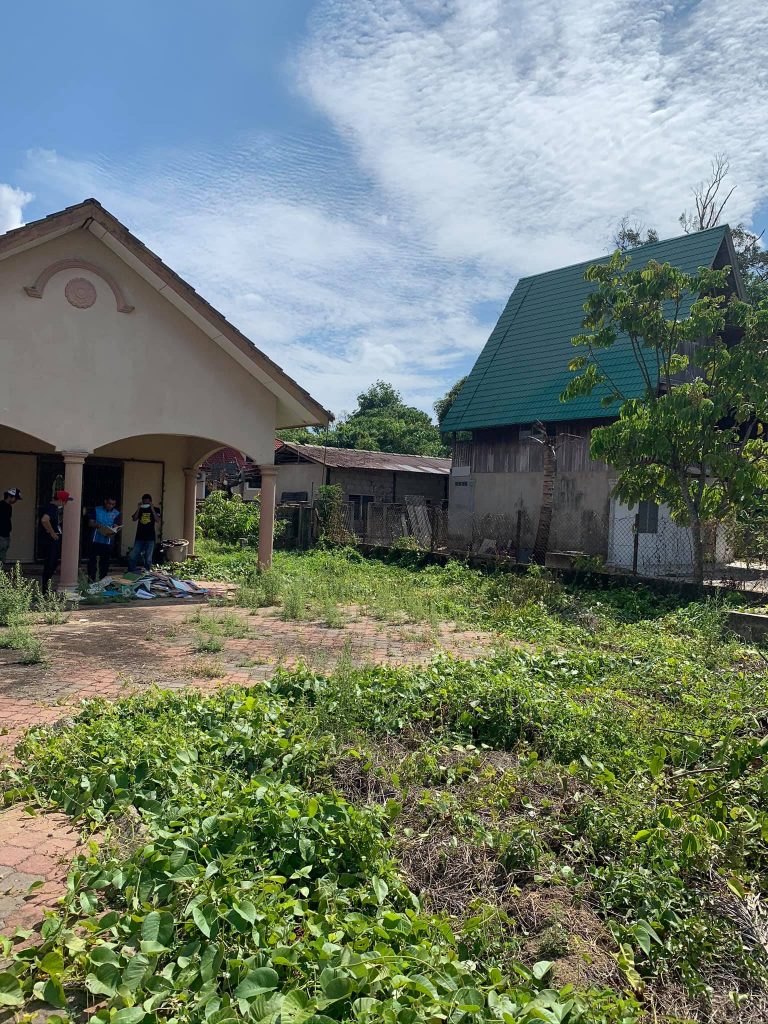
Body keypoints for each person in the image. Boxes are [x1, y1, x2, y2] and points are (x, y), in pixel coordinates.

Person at [39, 490, 69, 592]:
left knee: (54, 563)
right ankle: (45, 590)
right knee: (50, 564)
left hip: (52, 539)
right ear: (60, 500)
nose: (66, 503)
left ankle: (46, 588)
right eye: (65, 501)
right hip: (50, 540)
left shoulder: (54, 509)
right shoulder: (51, 508)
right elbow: (44, 520)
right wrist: (52, 533)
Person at [87, 496, 122, 581]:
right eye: (109, 503)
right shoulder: (97, 510)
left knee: (105, 563)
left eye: (113, 504)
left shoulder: (117, 513)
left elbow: (116, 526)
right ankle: (91, 580)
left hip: (108, 541)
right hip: (96, 539)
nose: (111, 506)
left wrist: (115, 529)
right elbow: (90, 523)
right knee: (92, 561)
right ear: (105, 502)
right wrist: (98, 525)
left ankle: (103, 581)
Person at [128, 493, 161, 572]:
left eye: (147, 502)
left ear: (150, 501)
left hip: (150, 536)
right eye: (144, 502)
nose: (145, 504)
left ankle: (147, 571)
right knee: (134, 554)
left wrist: (152, 508)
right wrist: (139, 508)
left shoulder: (156, 509)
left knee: (148, 557)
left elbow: (157, 520)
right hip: (139, 536)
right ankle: (131, 570)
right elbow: (134, 518)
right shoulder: (141, 509)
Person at [0, 488, 22, 568]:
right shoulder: (1, 505)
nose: (15, 501)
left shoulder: (9, 507)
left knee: (2, 557)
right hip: (1, 535)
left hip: (6, 535)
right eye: (15, 498)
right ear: (10, 496)